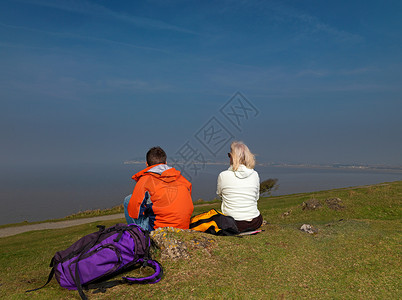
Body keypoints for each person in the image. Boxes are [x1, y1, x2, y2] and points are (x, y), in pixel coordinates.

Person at [124, 146, 194, 231]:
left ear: (147, 164)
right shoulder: (182, 179)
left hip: (159, 229)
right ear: (165, 162)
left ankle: (136, 235)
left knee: (128, 200)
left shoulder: (145, 180)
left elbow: (135, 212)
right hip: (183, 227)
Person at [216, 141, 263, 232]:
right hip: (255, 221)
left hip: (233, 223)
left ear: (233, 158)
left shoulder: (223, 175)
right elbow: (256, 197)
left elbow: (220, 195)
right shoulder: (255, 175)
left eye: (229, 155)